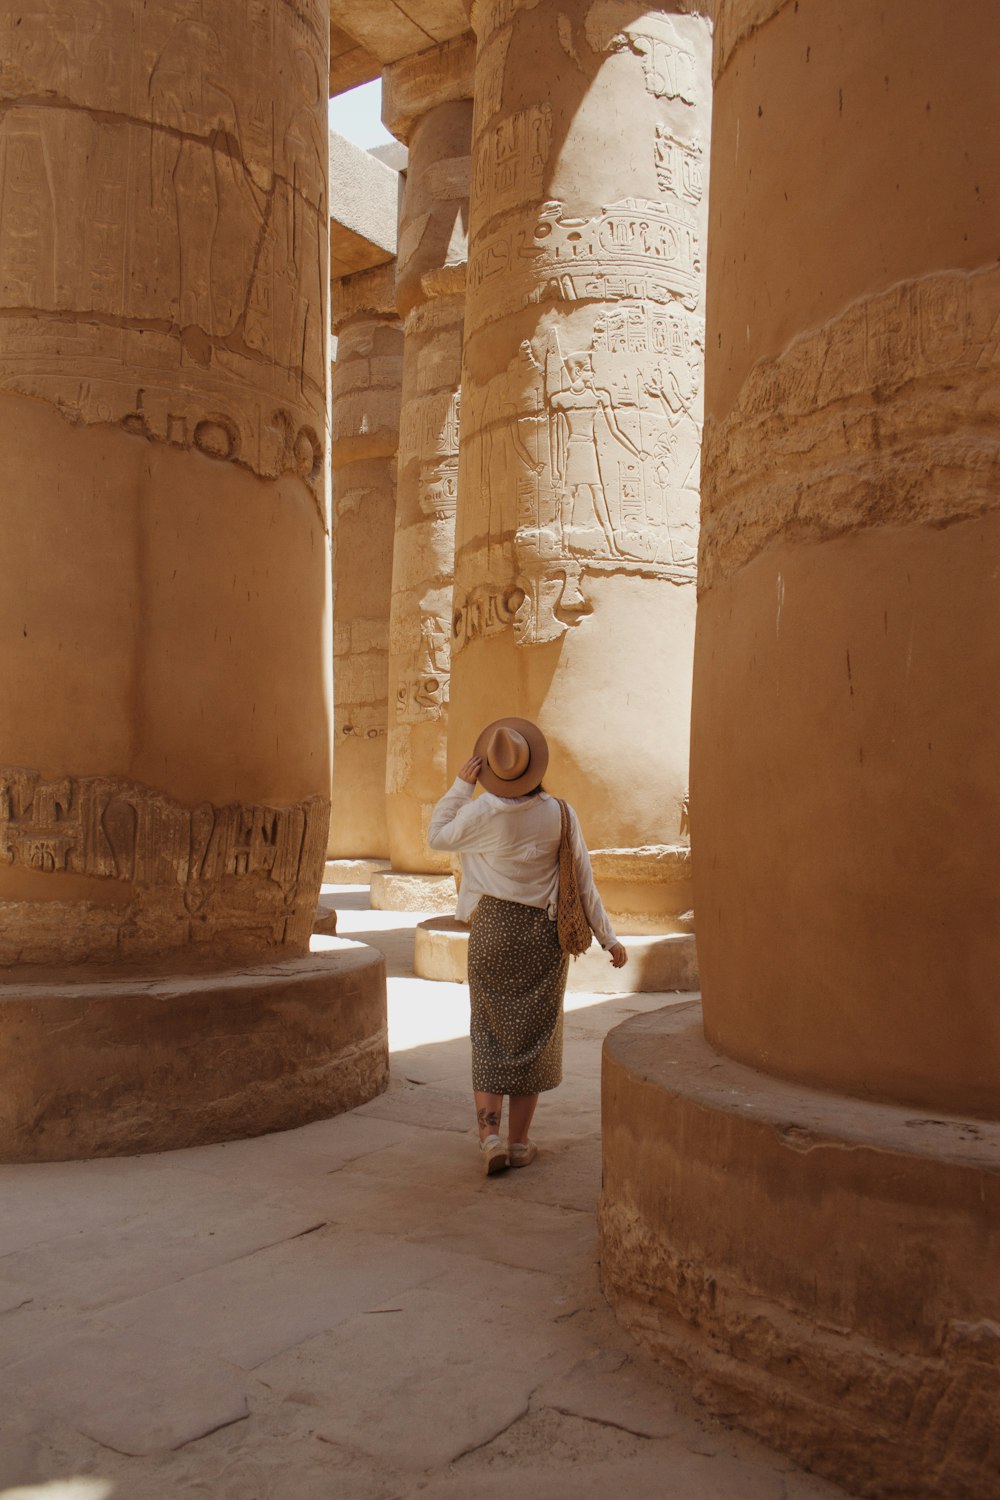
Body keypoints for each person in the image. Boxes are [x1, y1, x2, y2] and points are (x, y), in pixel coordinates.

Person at [428, 716, 628, 1176]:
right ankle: (519, 1143)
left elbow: (436, 836)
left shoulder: (482, 812)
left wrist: (461, 788)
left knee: (489, 1032)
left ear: (491, 770)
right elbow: (582, 882)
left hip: (494, 929)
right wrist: (608, 937)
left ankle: (489, 1137)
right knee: (533, 1039)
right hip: (542, 935)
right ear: (534, 765)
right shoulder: (560, 813)